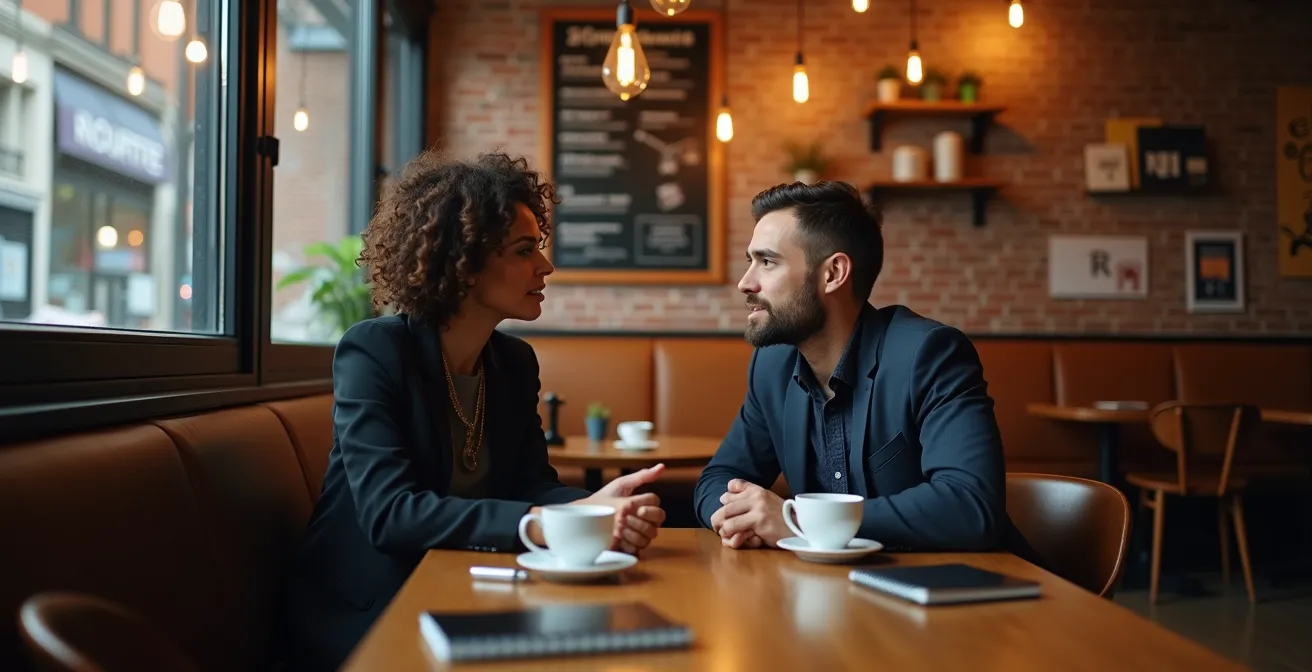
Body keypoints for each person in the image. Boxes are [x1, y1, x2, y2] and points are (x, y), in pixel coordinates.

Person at [276, 150, 668, 671]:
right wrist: (544, 525)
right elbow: (390, 514)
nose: (545, 266)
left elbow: (532, 485)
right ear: (465, 259)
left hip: (470, 591)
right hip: (371, 612)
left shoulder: (513, 363)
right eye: (525, 250)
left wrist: (595, 509)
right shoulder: (374, 351)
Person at [693, 180, 1029, 555]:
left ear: (834, 273)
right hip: (838, 595)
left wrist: (797, 520)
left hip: (967, 594)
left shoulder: (929, 354)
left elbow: (970, 508)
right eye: (749, 261)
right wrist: (734, 517)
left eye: (767, 261)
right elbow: (719, 478)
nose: (745, 282)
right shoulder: (772, 365)